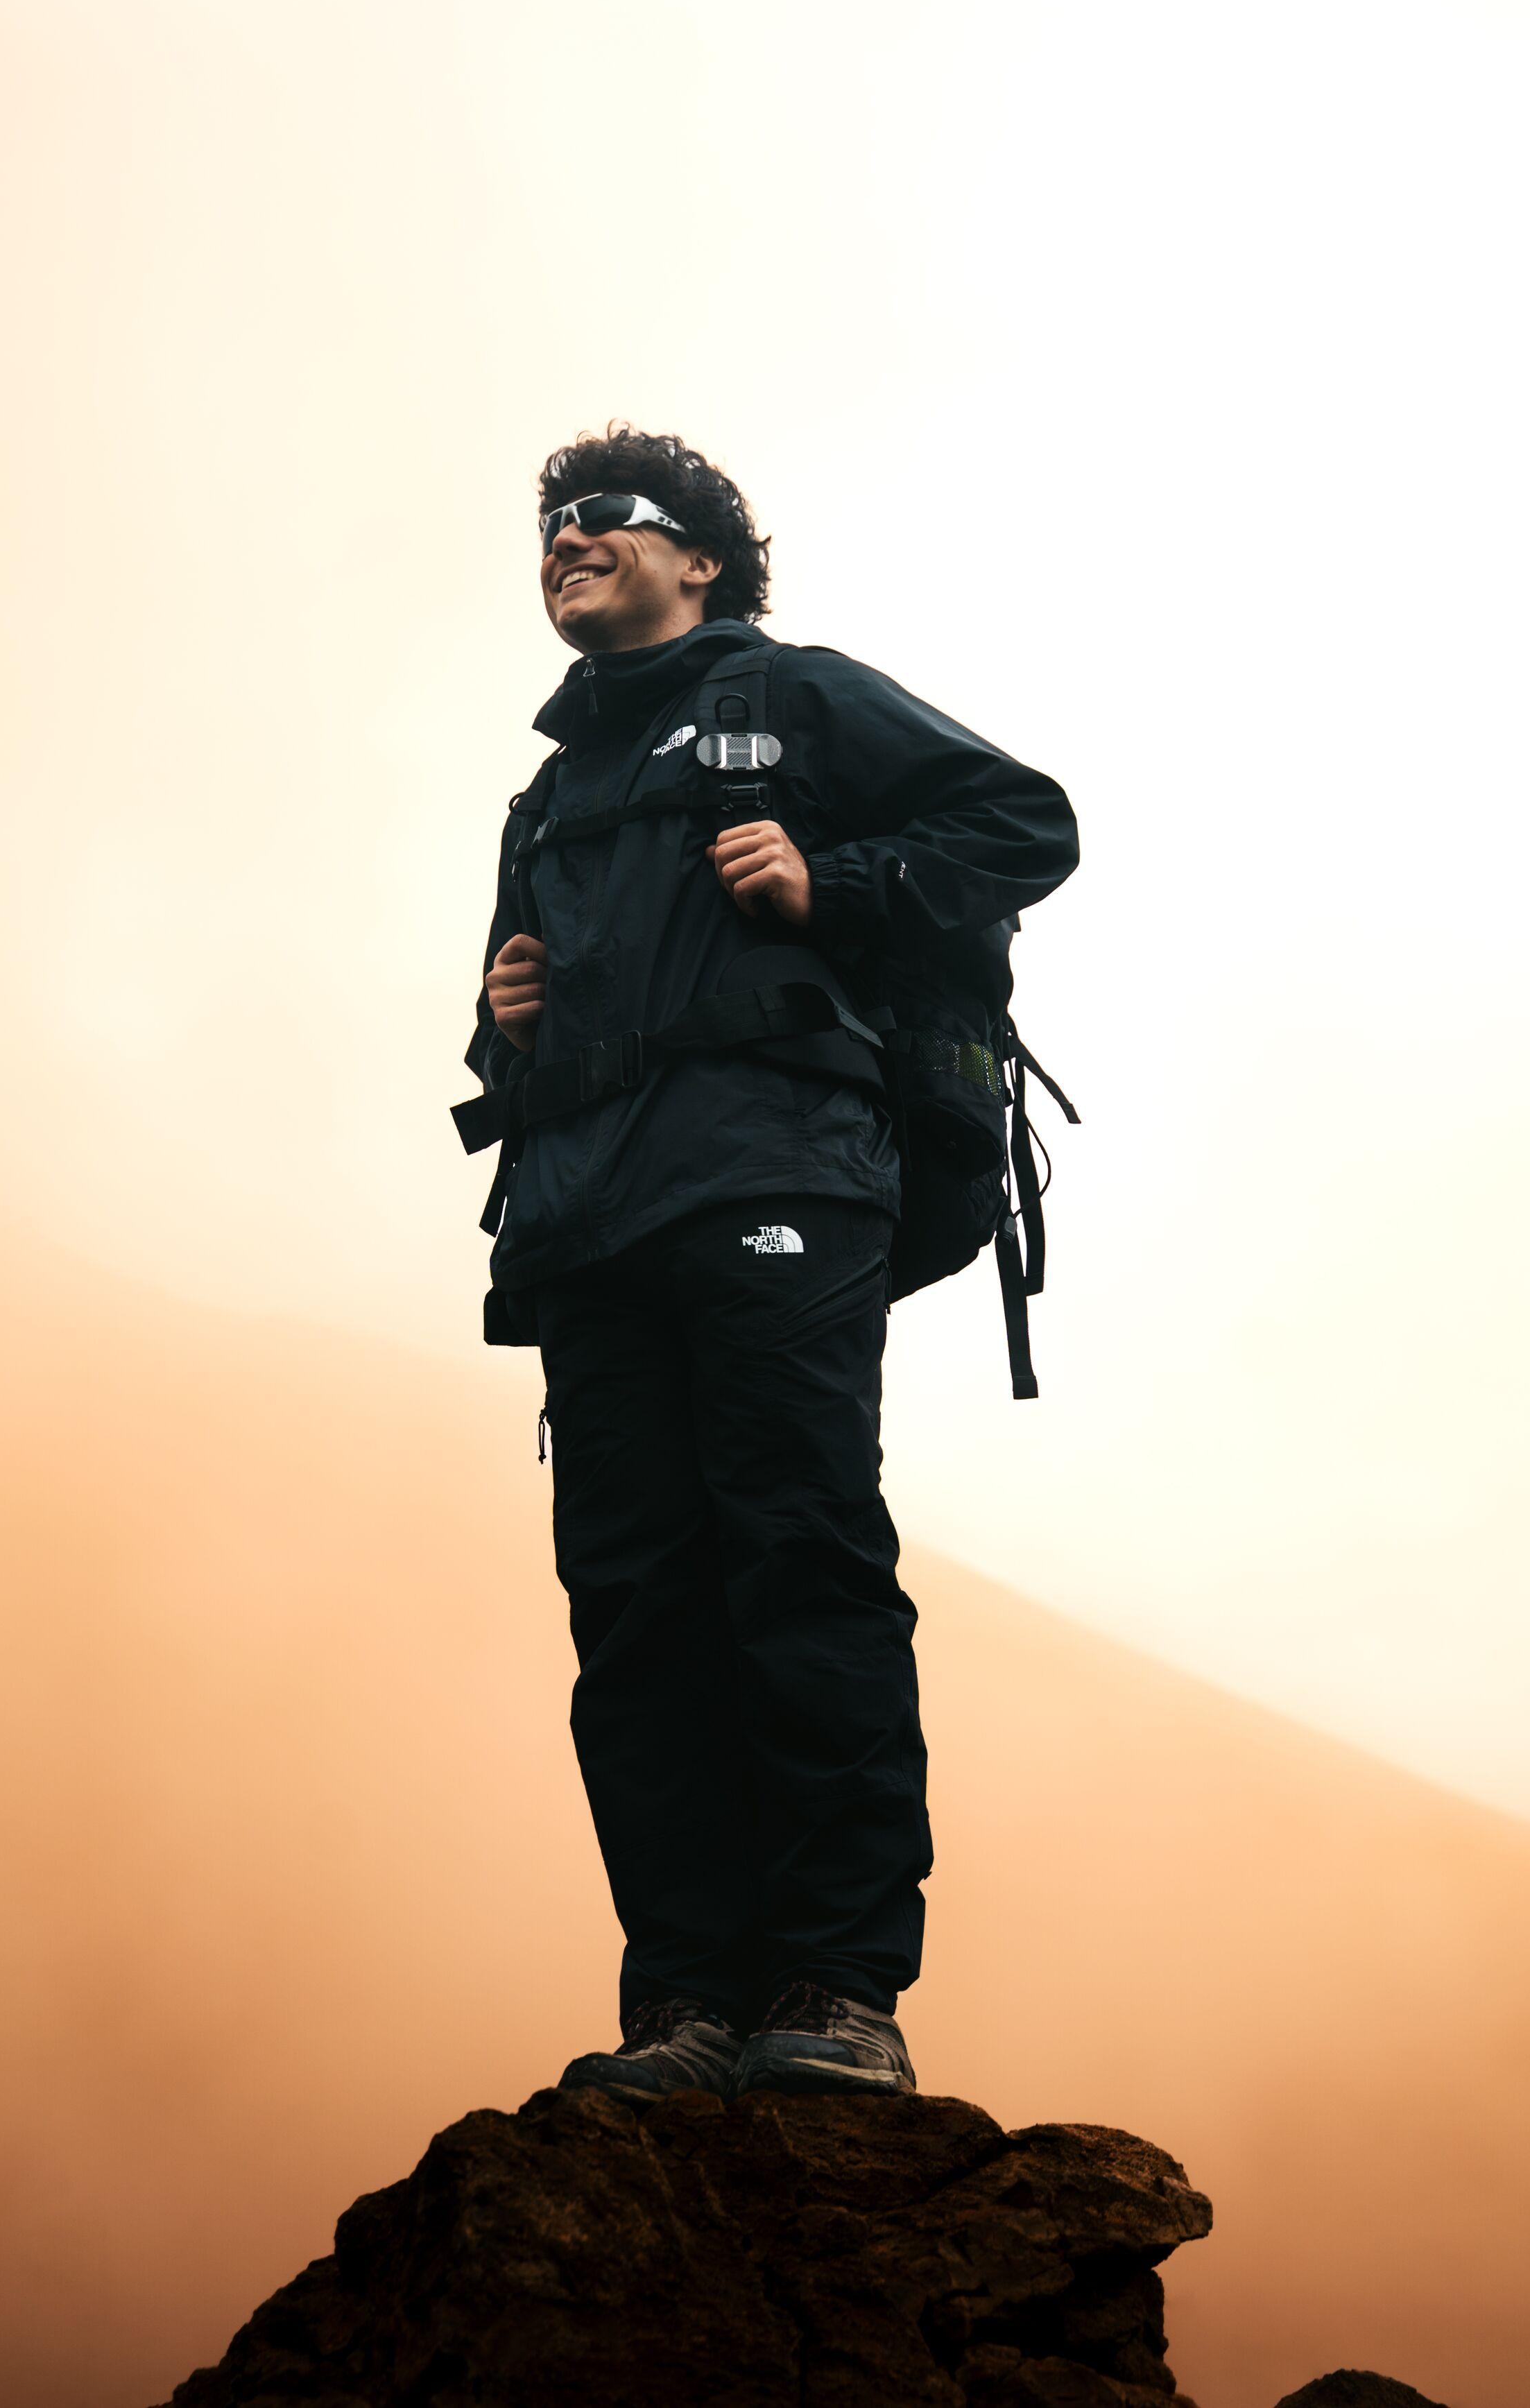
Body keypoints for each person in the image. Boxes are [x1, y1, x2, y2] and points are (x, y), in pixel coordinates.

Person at [462, 427, 1078, 2101]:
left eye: (606, 522)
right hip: (589, 1227)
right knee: (640, 1608)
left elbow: (1024, 821)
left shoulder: (798, 698)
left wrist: (836, 879)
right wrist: (496, 1016)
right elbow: (538, 1024)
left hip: (776, 1183)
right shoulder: (550, 793)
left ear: (700, 562)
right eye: (550, 529)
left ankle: (837, 1991)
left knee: (794, 1560)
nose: (567, 542)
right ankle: (686, 2004)